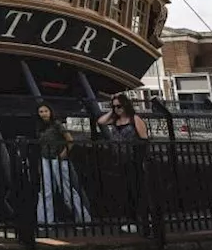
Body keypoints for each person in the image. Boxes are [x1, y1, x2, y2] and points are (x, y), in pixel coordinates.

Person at [97, 92, 148, 233]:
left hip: (133, 159)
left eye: (119, 106)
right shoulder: (115, 121)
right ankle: (131, 220)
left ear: (125, 105)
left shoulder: (134, 119)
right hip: (119, 160)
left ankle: (143, 221)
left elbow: (144, 138)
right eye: (115, 107)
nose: (117, 109)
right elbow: (101, 121)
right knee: (125, 191)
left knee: (137, 190)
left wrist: (140, 158)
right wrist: (112, 111)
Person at [36, 103, 91, 230]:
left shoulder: (57, 124)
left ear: (50, 112)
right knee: (46, 190)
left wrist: (63, 154)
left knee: (66, 188)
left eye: (45, 111)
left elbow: (70, 140)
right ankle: (44, 221)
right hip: (45, 158)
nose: (43, 114)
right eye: (41, 111)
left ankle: (82, 218)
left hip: (57, 158)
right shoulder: (40, 127)